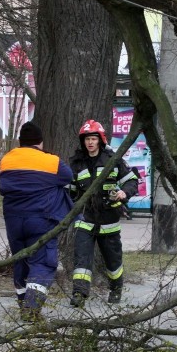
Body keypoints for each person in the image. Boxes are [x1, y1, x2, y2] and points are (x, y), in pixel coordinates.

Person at [0, 121, 73, 320]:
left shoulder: (6, 159)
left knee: (20, 260)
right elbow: (68, 177)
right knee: (43, 263)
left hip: (13, 220)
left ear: (20, 141)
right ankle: (31, 310)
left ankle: (23, 303)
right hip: (41, 218)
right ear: (40, 142)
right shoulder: (51, 161)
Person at [68, 119, 139, 307]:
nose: (90, 142)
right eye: (87, 139)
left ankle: (116, 289)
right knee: (82, 258)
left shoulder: (112, 160)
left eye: (93, 138)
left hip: (109, 220)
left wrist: (124, 193)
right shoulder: (76, 163)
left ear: (100, 140)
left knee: (113, 261)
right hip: (85, 219)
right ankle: (79, 294)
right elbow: (70, 191)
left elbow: (132, 180)